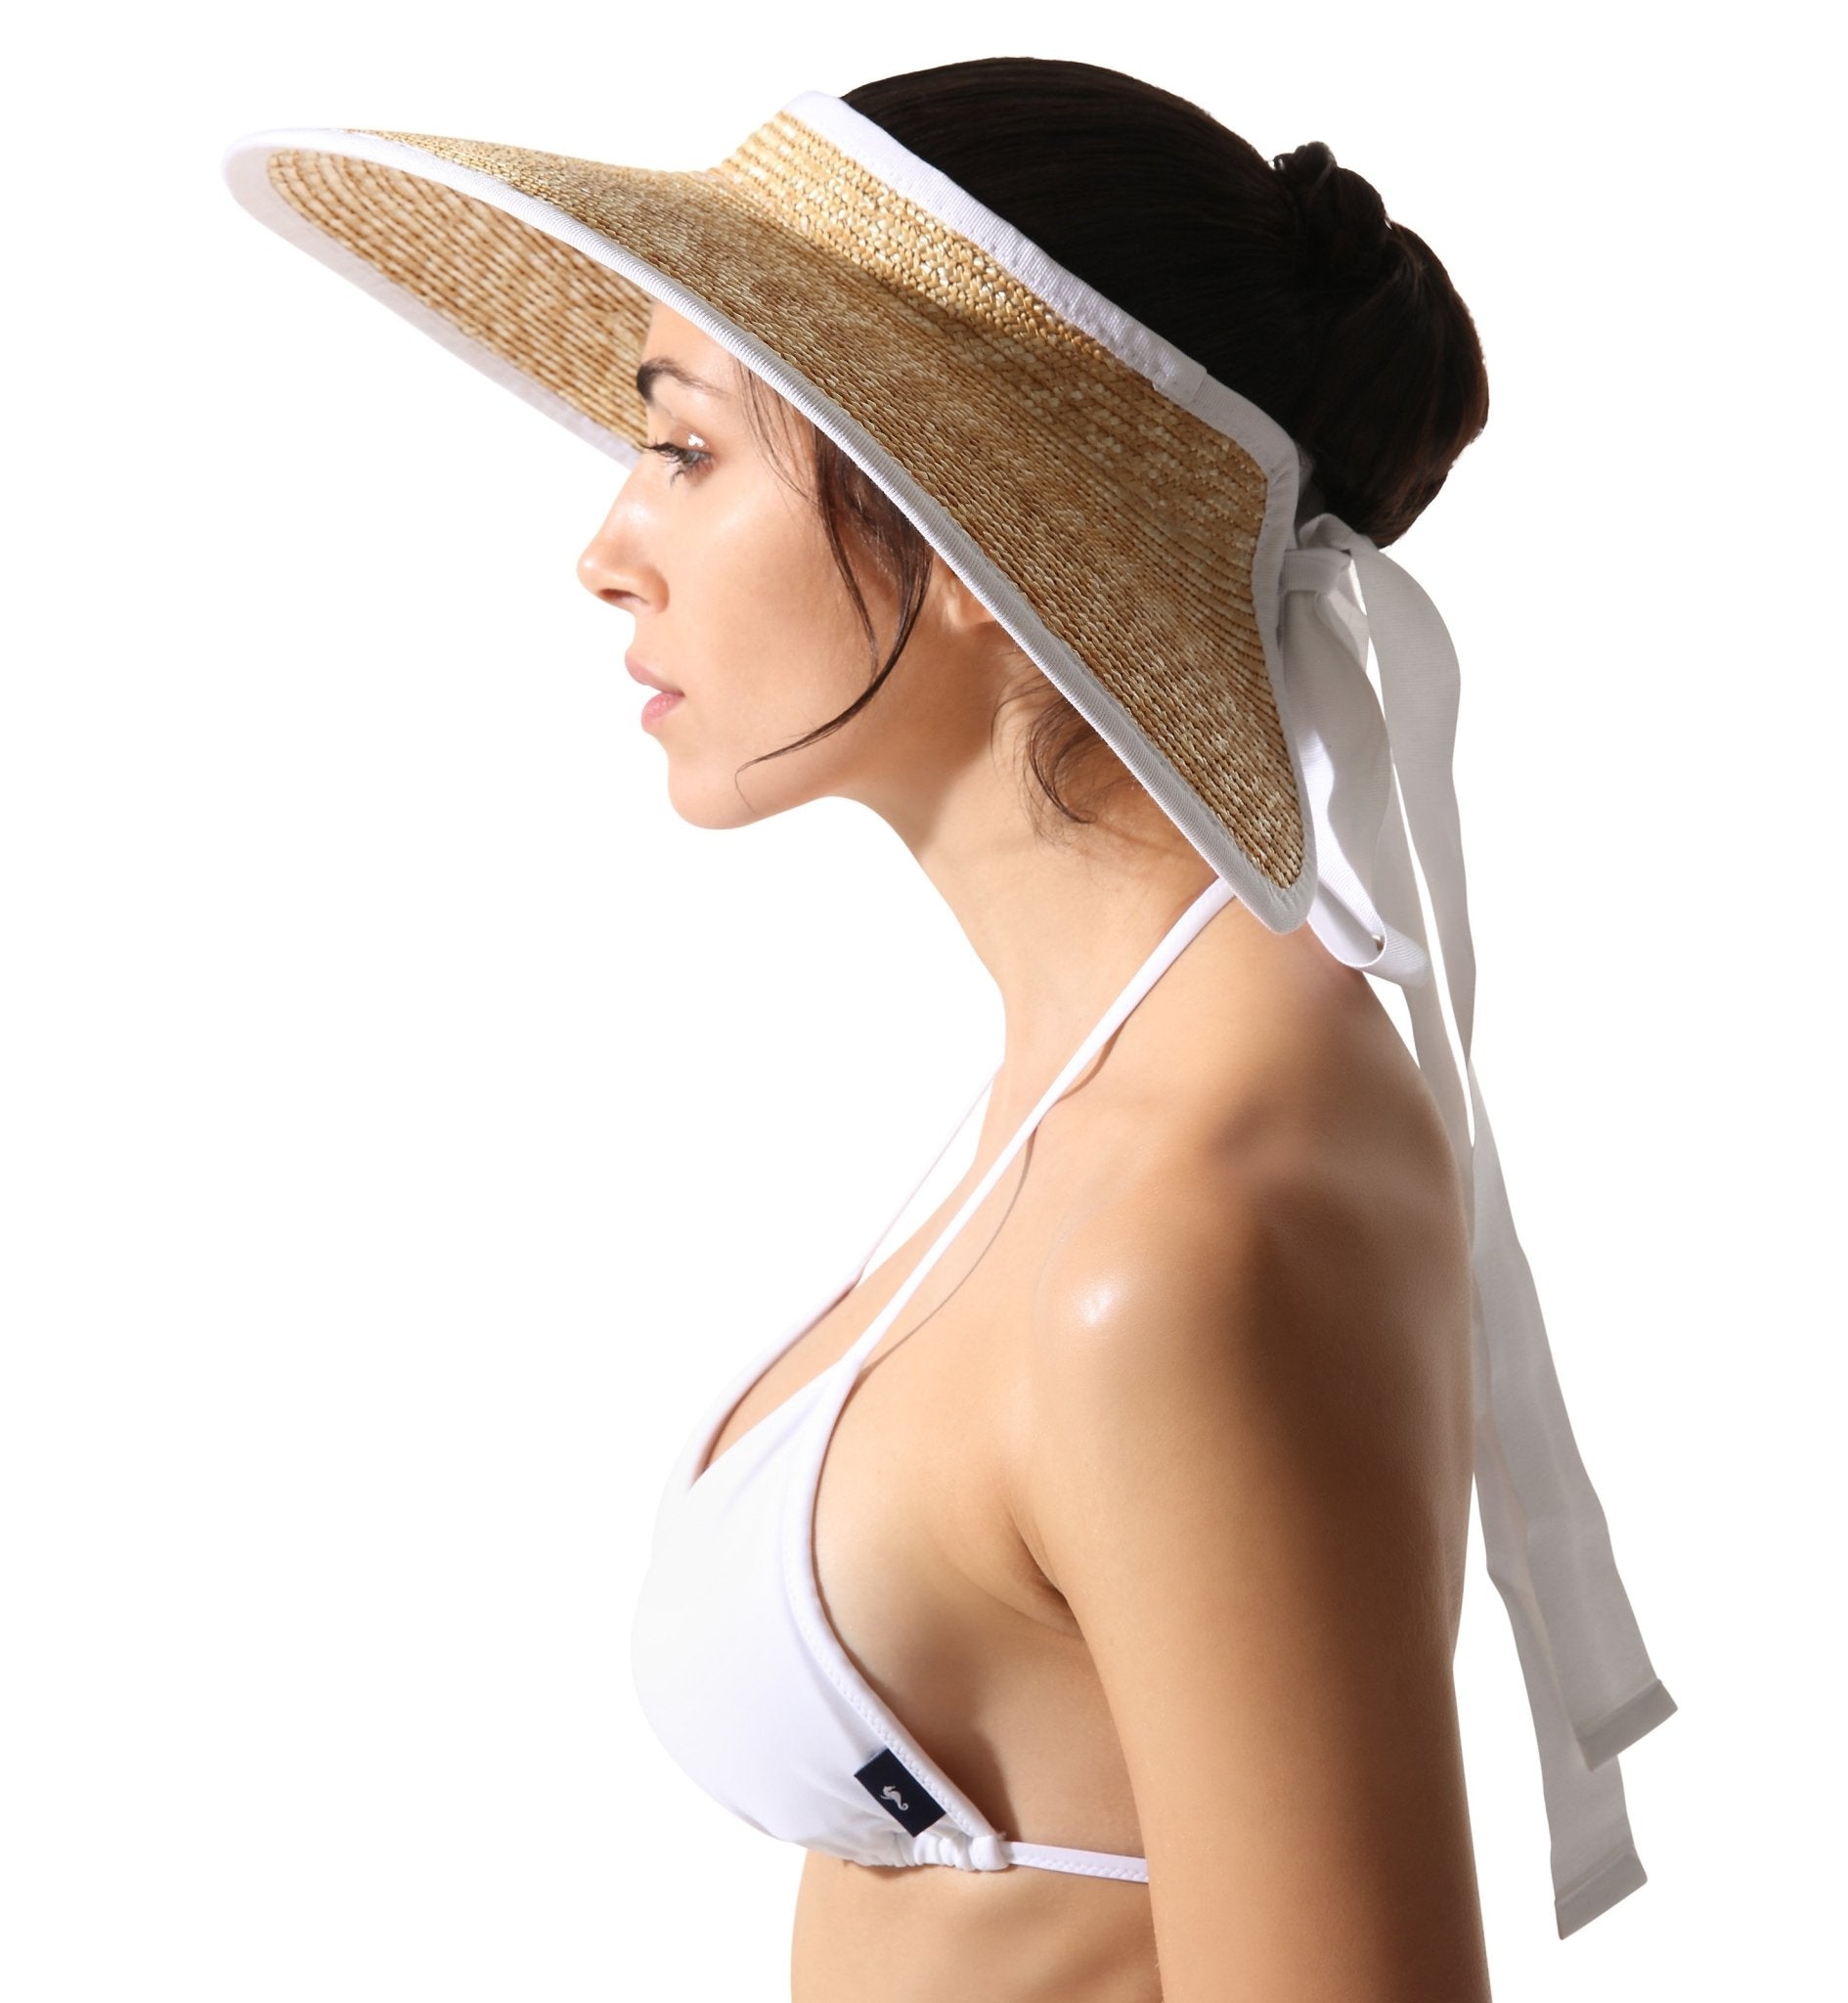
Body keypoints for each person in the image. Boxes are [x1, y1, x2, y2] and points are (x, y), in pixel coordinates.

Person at [223, 54, 1674, 2002]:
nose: (606, 547)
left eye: (685, 448)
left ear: (978, 524)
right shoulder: (1096, 1087)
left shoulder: (1190, 1222)